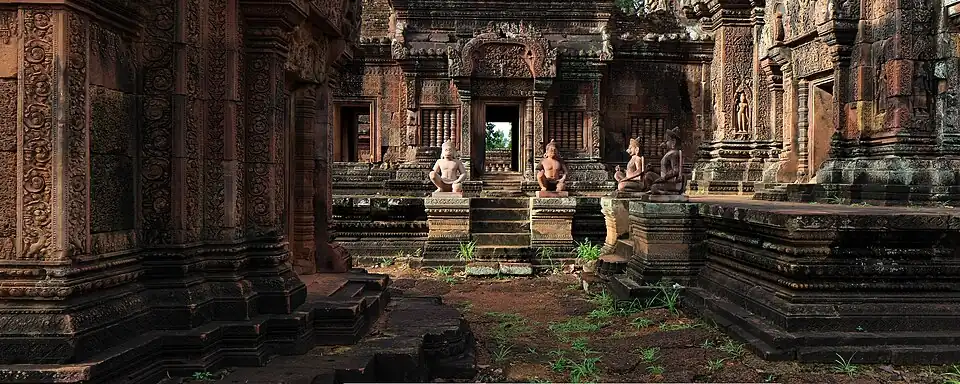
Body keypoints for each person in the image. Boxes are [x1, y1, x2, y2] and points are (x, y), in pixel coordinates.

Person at [648, 127, 686, 195]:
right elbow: (665, 170)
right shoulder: (669, 153)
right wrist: (653, 169)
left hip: (672, 183)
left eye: (667, 141)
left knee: (654, 187)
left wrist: (664, 178)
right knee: (648, 175)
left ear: (673, 142)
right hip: (666, 180)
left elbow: (675, 171)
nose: (664, 143)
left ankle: (670, 193)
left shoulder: (674, 153)